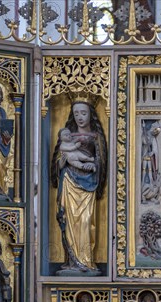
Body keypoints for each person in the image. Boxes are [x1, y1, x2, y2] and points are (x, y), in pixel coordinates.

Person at [51, 95, 107, 275]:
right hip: (68, 180)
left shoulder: (96, 136)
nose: (80, 117)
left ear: (91, 114)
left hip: (88, 182)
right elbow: (57, 161)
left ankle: (86, 260)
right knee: (68, 220)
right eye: (76, 113)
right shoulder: (67, 136)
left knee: (85, 221)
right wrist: (62, 161)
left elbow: (102, 161)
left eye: (83, 113)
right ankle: (71, 261)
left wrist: (94, 165)